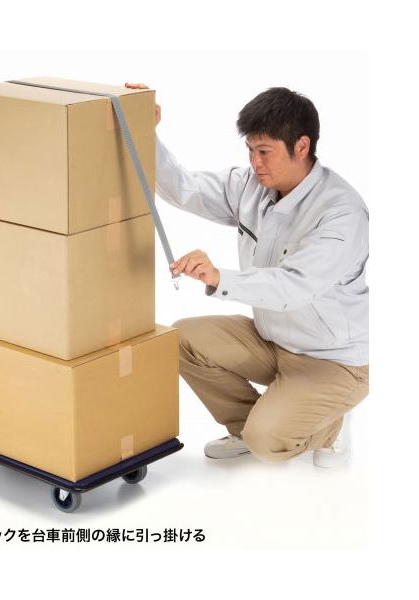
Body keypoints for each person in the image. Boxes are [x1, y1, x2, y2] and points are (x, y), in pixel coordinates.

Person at [125, 82, 369, 468]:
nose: (255, 162)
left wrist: (219, 278)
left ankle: (329, 427)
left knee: (266, 441)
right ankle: (251, 427)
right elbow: (185, 189)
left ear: (302, 146)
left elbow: (295, 286)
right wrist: (146, 132)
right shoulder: (252, 186)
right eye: (250, 150)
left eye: (264, 151)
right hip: (273, 340)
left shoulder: (342, 213)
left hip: (332, 361)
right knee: (179, 339)